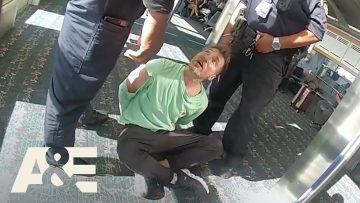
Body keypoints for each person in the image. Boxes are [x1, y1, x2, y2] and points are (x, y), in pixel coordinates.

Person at [192, 0, 327, 169]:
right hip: (242, 41)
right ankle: (199, 130)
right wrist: (226, 38)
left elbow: (317, 32)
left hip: (273, 56)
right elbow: (239, 5)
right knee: (216, 91)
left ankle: (229, 156)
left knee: (249, 110)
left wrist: (275, 43)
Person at [44, 0, 176, 166]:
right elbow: (159, 8)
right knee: (68, 93)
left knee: (84, 78)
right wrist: (153, 33)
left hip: (108, 17)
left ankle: (85, 114)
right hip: (97, 20)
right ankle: (57, 154)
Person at [117, 46, 230, 199]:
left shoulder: (200, 101)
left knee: (214, 146)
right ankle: (178, 179)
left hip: (164, 137)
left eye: (213, 61)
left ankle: (154, 167)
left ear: (212, 77)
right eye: (206, 52)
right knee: (126, 148)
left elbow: (181, 121)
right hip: (136, 132)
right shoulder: (161, 66)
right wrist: (127, 117)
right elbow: (126, 89)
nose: (206, 58)